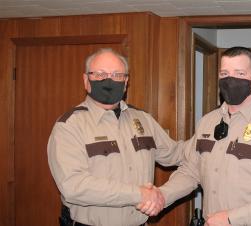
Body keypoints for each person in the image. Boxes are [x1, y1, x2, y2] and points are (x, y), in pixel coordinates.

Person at [140, 46, 251, 226]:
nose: (230, 80)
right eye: (224, 74)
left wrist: (232, 219)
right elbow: (191, 171)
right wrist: (162, 195)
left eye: (240, 73)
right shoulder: (207, 122)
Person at [47, 48, 184, 226]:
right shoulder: (69, 125)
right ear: (86, 80)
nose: (108, 80)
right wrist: (139, 194)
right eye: (100, 74)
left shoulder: (143, 119)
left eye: (117, 75)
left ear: (126, 81)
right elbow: (74, 186)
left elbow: (177, 154)